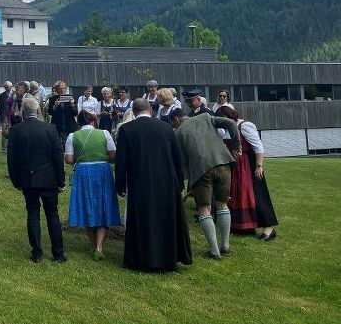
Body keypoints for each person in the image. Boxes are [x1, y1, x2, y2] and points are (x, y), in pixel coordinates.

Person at [115, 99, 192, 272]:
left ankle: (141, 259)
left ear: (133, 111)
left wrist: (120, 184)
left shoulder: (126, 129)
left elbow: (121, 161)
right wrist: (179, 183)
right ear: (150, 110)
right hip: (166, 182)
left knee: (143, 219)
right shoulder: (166, 128)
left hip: (140, 182)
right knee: (166, 219)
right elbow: (177, 158)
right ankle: (169, 258)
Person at [169, 108, 239, 260]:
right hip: (223, 164)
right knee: (222, 205)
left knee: (204, 209)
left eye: (173, 124)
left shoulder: (178, 134)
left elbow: (181, 164)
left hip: (200, 172)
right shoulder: (206, 117)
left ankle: (215, 251)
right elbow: (231, 124)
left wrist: (183, 185)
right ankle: (225, 245)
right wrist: (236, 146)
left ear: (176, 119)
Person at [7, 97, 67, 264]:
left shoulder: (16, 130)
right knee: (52, 215)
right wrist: (61, 180)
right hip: (49, 179)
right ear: (39, 110)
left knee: (33, 214)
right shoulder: (50, 129)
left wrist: (16, 180)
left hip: (28, 179)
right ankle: (58, 253)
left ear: (23, 112)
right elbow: (57, 157)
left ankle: (37, 252)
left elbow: (11, 159)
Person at [215, 106, 279, 240]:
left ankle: (269, 228)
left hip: (248, 165)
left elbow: (258, 147)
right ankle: (243, 226)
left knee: (257, 195)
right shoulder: (225, 129)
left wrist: (259, 166)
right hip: (234, 165)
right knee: (237, 194)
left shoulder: (244, 126)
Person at [65, 110, 120, 260]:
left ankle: (93, 244)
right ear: (92, 121)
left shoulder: (72, 136)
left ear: (79, 122)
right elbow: (113, 154)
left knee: (87, 204)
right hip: (102, 170)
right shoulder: (104, 133)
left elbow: (69, 159)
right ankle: (99, 247)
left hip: (83, 171)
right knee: (104, 204)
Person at [48, 81, 78, 149]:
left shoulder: (71, 98)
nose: (62, 90)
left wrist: (72, 105)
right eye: (60, 89)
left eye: (63, 88)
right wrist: (55, 106)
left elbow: (75, 113)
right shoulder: (52, 99)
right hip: (58, 127)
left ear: (66, 89)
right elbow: (50, 112)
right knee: (59, 147)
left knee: (70, 147)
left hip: (70, 126)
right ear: (56, 90)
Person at [0, 81, 14, 151]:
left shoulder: (15, 94)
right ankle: (4, 147)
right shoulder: (2, 95)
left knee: (13, 130)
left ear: (11, 87)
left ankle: (12, 145)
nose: (6, 88)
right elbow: (1, 107)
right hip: (5, 115)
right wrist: (1, 118)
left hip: (13, 115)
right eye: (5, 87)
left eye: (7, 87)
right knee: (4, 131)